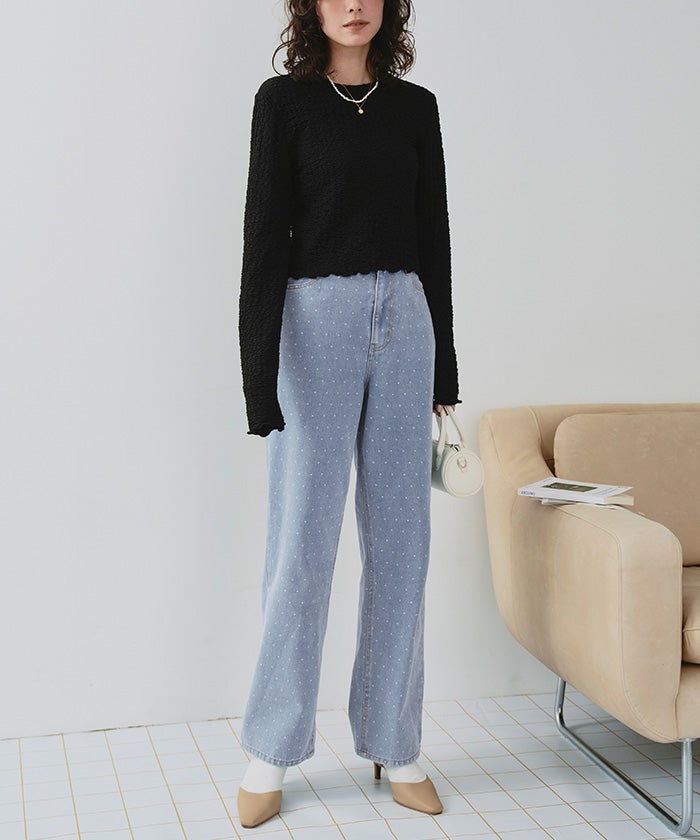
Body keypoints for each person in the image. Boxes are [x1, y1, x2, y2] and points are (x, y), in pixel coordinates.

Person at [236, 0, 461, 828]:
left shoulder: (415, 108)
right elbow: (264, 238)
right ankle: (271, 747)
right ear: (310, 7)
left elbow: (433, 235)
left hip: (406, 321)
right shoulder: (283, 103)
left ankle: (395, 743)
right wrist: (258, 376)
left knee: (403, 543)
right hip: (313, 325)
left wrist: (445, 365)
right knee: (302, 540)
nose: (354, 5)